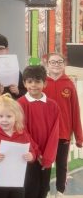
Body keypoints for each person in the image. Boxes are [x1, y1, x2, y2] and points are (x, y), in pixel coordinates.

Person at [43, 53, 83, 197]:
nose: (56, 64)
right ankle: (45, 191)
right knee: (45, 163)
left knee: (62, 165)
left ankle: (60, 191)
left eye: (59, 62)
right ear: (47, 64)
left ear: (64, 64)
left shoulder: (69, 84)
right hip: (45, 133)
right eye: (53, 62)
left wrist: (79, 137)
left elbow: (75, 111)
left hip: (63, 132)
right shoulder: (42, 84)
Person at [18, 65, 60, 198]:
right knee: (30, 190)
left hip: (45, 158)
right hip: (28, 156)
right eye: (29, 81)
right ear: (24, 83)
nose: (34, 85)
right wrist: (35, 152)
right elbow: (22, 131)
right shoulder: (20, 104)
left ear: (45, 83)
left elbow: (55, 133)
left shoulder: (53, 105)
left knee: (43, 189)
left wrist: (47, 157)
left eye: (37, 81)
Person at [0, 94, 36, 198]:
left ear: (16, 117)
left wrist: (31, 156)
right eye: (1, 116)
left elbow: (32, 153)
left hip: (17, 179)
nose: (4, 120)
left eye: (9, 116)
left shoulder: (22, 133)